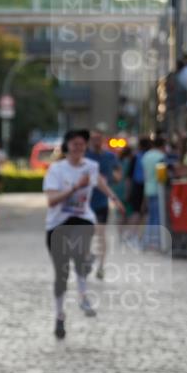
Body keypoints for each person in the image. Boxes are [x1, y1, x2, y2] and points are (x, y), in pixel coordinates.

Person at [43, 129, 124, 339]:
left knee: (83, 241)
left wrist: (114, 199)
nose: (78, 148)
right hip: (57, 223)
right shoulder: (56, 170)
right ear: (67, 146)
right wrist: (74, 189)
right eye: (74, 144)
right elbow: (51, 201)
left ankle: (83, 293)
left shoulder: (91, 167)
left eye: (82, 144)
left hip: (82, 218)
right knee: (61, 275)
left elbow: (100, 183)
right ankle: (60, 316)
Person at [86, 130, 122, 278]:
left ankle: (101, 266)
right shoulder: (85, 156)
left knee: (101, 233)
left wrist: (114, 177)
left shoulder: (109, 156)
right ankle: (88, 257)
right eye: (93, 139)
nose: (96, 141)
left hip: (101, 201)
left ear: (102, 140)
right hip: (85, 203)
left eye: (98, 139)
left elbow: (118, 173)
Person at [141, 134, 166, 251]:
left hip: (148, 188)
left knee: (150, 217)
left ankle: (146, 241)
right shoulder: (161, 156)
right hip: (158, 189)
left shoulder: (146, 156)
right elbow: (162, 176)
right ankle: (155, 242)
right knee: (157, 217)